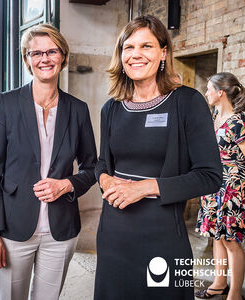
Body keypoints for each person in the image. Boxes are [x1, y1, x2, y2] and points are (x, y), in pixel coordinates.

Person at [94, 15, 222, 300]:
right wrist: (104, 178)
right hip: (113, 232)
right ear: (121, 54)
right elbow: (101, 162)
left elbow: (210, 176)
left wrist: (144, 188)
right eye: (129, 47)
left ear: (163, 52)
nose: (136, 54)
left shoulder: (187, 103)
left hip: (161, 233)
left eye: (146, 46)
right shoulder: (111, 109)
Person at [0, 24, 97, 300]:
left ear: (63, 57)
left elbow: (93, 167)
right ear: (27, 60)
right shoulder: (6, 104)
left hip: (61, 230)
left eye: (51, 51)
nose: (44, 58)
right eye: (36, 53)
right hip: (12, 228)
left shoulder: (77, 109)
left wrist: (67, 184)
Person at [195, 72, 245, 300]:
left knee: (231, 241)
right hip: (212, 185)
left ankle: (235, 293)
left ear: (220, 92)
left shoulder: (238, 122)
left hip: (232, 189)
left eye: (209, 89)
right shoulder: (214, 116)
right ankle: (219, 282)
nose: (206, 93)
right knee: (216, 236)